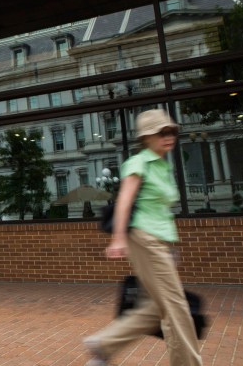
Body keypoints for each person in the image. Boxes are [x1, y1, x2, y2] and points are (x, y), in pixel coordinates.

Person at [84, 109, 202, 366]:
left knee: (157, 307)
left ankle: (103, 344)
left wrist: (170, 247)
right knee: (177, 309)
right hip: (145, 240)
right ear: (147, 137)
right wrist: (117, 239)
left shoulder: (162, 165)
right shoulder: (139, 163)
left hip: (161, 242)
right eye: (162, 132)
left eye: (171, 131)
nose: (168, 136)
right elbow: (124, 202)